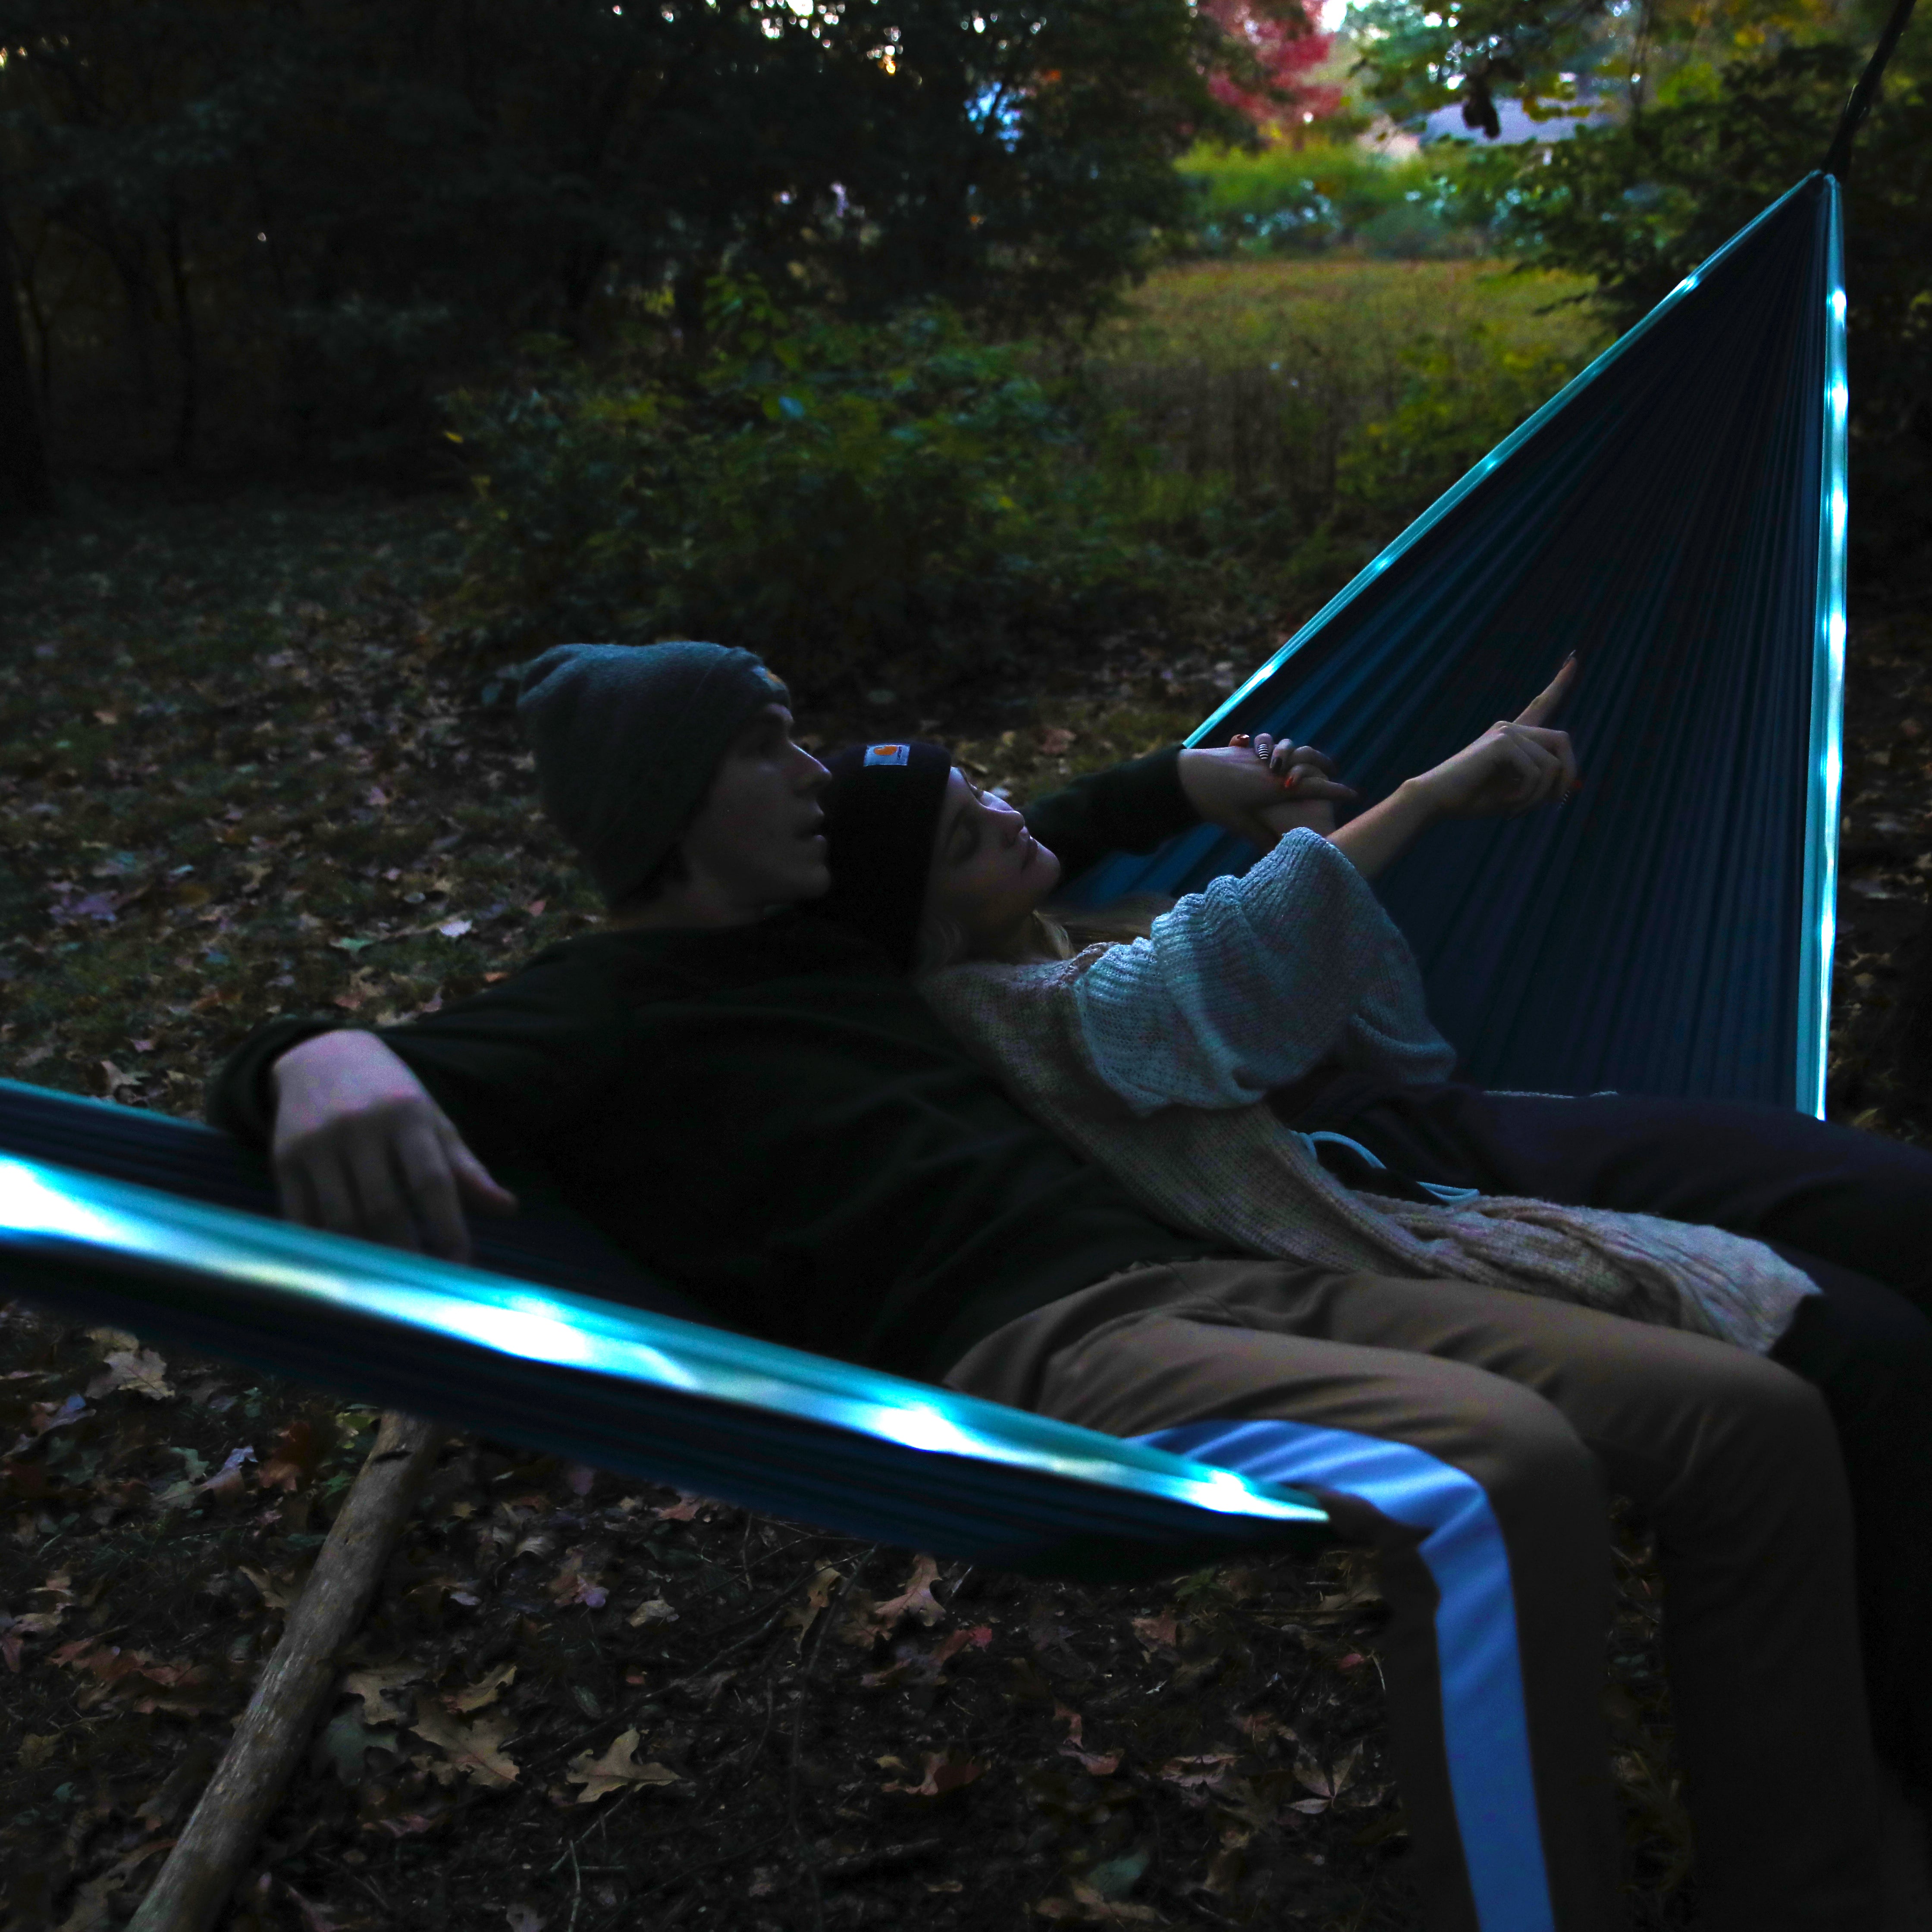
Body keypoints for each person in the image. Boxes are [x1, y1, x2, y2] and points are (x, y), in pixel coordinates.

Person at [212, 640, 1887, 1932]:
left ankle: (1812, 1896)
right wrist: (313, 1051)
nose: (808, 770)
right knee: (1493, 1482)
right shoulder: (592, 1006)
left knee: (1747, 1417)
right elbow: (354, 1083)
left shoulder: (836, 939)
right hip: (1053, 1351)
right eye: (763, 744)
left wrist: (1182, 777)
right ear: (666, 798)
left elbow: (1029, 829)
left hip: (1245, 1272)